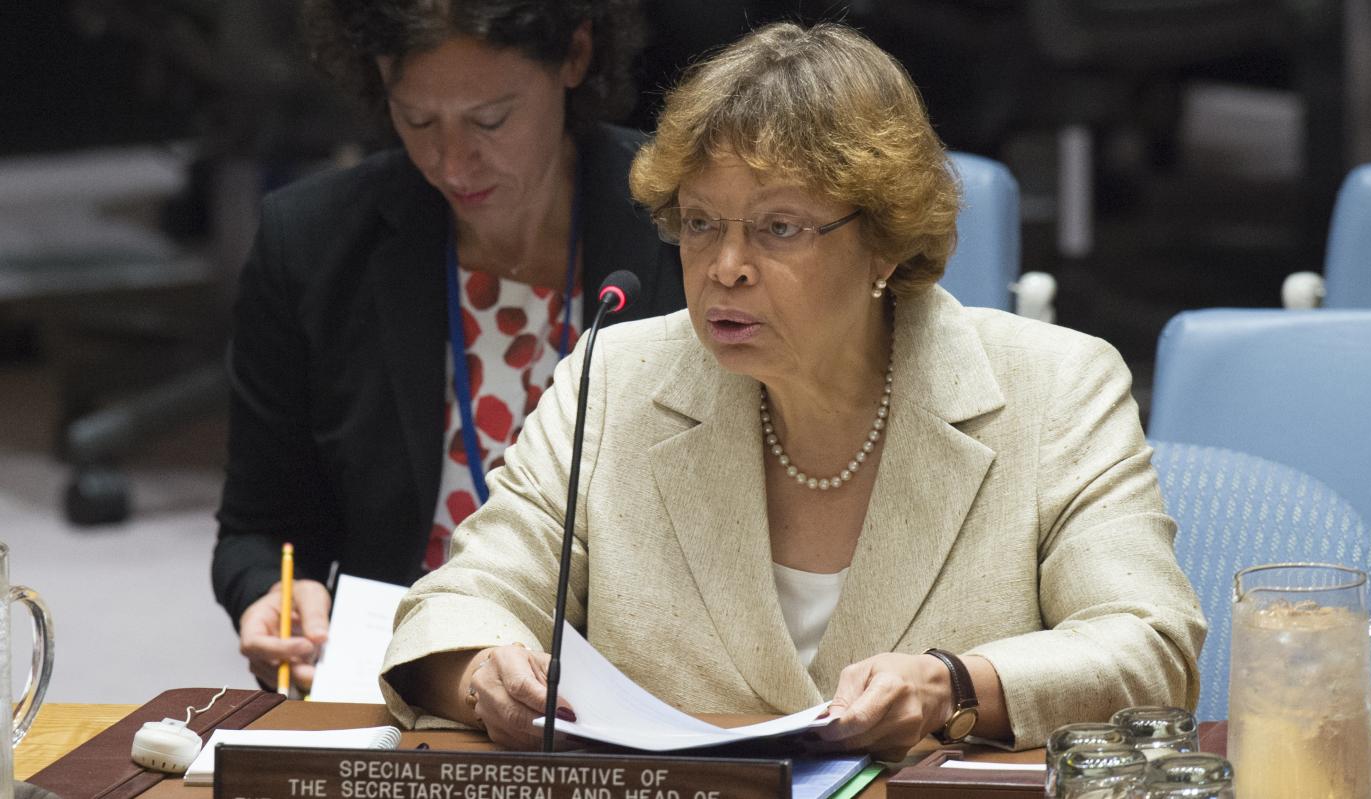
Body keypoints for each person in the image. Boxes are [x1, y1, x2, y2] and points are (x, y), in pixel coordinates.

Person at [380, 22, 1205, 758]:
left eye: (778, 228)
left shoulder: (1054, 387)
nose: (725, 267)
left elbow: (1148, 647)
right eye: (700, 223)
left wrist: (956, 684)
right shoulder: (614, 381)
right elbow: (458, 603)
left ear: (883, 240)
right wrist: (483, 672)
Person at [211, 0, 685, 693]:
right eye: (417, 120)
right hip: (410, 678)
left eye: (490, 121)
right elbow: (260, 525)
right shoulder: (312, 243)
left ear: (576, 55)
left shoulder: (685, 224)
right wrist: (272, 591)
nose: (453, 162)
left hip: (635, 683)